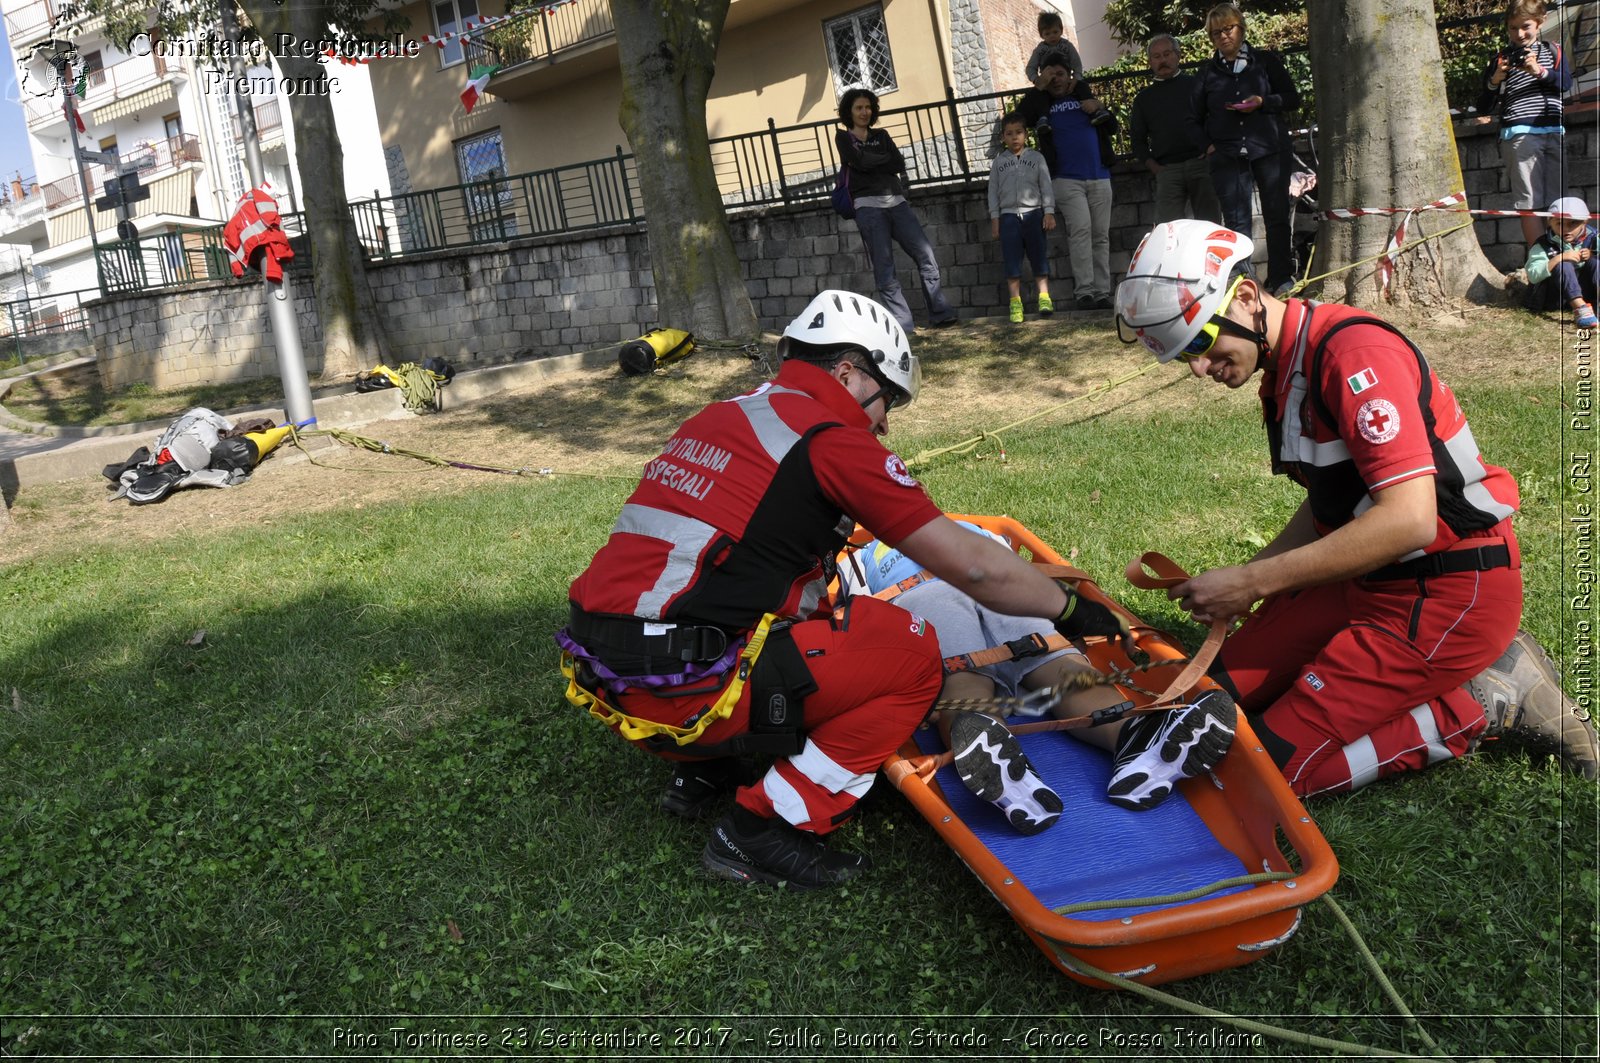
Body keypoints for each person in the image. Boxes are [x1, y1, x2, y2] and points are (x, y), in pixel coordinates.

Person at [559, 290, 1158, 892]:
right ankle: (761, 829)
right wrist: (1073, 610)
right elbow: (978, 569)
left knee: (787, 622)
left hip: (607, 680)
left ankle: (710, 765)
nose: (885, 421)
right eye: (887, 398)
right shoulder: (832, 438)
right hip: (690, 691)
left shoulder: (721, 418)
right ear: (848, 372)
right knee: (912, 654)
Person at [1113, 219, 1600, 796]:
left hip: (1447, 592)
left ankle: (1486, 700)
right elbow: (1332, 503)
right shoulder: (1286, 360)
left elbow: (1409, 518)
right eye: (1180, 356)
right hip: (1368, 579)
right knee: (1203, 700)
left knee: (1263, 770)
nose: (1197, 367)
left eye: (1199, 342)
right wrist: (1253, 581)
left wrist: (1251, 580)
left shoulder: (1352, 355)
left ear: (1244, 296)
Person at [841, 522, 1237, 828]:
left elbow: (853, 609)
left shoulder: (863, 556)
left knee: (971, 674)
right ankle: (1134, 736)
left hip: (927, 594)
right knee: (1054, 665)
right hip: (986, 591)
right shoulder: (975, 532)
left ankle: (1001, 758)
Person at [1192, 3, 1302, 296]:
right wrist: (1209, 146)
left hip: (1269, 148)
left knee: (1276, 215)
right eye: (1215, 33)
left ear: (1240, 28)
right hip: (1227, 156)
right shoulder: (1207, 73)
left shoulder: (1265, 61)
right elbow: (1193, 117)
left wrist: (1263, 102)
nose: (1223, 37)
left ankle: (1281, 278)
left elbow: (1293, 98)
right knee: (1236, 222)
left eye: (1228, 29)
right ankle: (1246, 282)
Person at [834, 88, 958, 333]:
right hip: (868, 208)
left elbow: (898, 162)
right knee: (885, 267)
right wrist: (877, 160)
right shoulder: (843, 138)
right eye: (859, 107)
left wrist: (870, 160)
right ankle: (903, 325)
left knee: (926, 255)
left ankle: (940, 313)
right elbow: (859, 162)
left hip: (897, 203)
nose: (864, 112)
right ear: (850, 111)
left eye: (868, 107)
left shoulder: (882, 134)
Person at [1017, 53, 1118, 311]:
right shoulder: (1041, 104)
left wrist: (1099, 107)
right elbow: (1018, 121)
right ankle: (1084, 292)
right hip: (1065, 179)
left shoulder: (1083, 95)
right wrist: (1039, 86)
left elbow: (1113, 128)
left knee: (1100, 236)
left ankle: (1101, 293)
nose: (1056, 80)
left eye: (1060, 74)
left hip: (1099, 175)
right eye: (1050, 75)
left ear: (1070, 75)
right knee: (1081, 230)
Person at [1476, 0, 1573, 247]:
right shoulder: (1500, 58)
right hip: (1519, 134)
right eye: (1512, 28)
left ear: (1540, 23)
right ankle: (1539, 261)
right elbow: (1483, 105)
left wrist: (1538, 71)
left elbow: (1565, 84)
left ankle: (1561, 257)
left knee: (1557, 201)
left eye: (1525, 26)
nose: (1519, 34)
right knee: (1529, 202)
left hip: (1553, 131)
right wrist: (1496, 79)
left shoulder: (1554, 51)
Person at [1129, 34, 1222, 225]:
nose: (1162, 60)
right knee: (1167, 231)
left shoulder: (1196, 85)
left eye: (1166, 54)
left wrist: (1212, 150)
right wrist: (1155, 168)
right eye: (1156, 56)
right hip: (1167, 171)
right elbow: (1137, 140)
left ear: (1178, 55)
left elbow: (1215, 119)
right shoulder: (1143, 99)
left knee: (1210, 227)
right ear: (1150, 62)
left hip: (1201, 165)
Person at [987, 111, 1056, 324]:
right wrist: (996, 219)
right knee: (1012, 261)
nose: (1014, 137)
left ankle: (1044, 297)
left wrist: (1049, 211)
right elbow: (993, 192)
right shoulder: (999, 163)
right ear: (1003, 138)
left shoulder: (1036, 158)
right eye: (1009, 133)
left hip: (1034, 215)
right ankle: (1015, 303)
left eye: (1018, 132)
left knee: (1038, 256)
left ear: (1026, 134)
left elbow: (1045, 185)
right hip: (1008, 218)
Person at [1524, 196, 1598, 325]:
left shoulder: (1594, 238)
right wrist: (1559, 258)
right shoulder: (1543, 245)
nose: (1566, 229)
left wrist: (1593, 254)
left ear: (1585, 221)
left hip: (1587, 293)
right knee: (1563, 265)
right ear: (1550, 222)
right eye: (1559, 223)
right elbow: (1533, 275)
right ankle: (1580, 308)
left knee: (1596, 262)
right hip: (1555, 298)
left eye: (1573, 223)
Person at [1025, 9, 1084, 85]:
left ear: (1061, 31)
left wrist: (1076, 79)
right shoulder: (1039, 50)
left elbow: (1077, 64)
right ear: (1041, 35)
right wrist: (1036, 80)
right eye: (1047, 34)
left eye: (1055, 32)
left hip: (1065, 82)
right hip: (1048, 85)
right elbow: (1030, 68)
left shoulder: (1067, 46)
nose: (1052, 36)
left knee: (1083, 87)